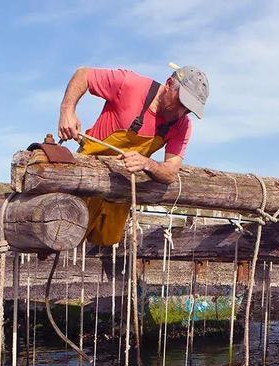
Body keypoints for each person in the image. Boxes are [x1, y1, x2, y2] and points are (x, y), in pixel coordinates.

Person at [57, 64, 209, 246]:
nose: (181, 112)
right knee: (61, 231)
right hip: (87, 175)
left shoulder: (182, 125)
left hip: (121, 187)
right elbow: (83, 75)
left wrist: (147, 164)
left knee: (106, 239)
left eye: (188, 109)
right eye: (181, 102)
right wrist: (67, 111)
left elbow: (170, 172)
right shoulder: (130, 84)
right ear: (169, 84)